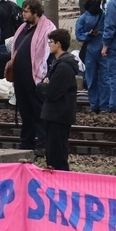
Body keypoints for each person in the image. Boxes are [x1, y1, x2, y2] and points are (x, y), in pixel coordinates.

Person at [11, 0, 57, 155]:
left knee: (38, 110)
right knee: (25, 110)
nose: (23, 14)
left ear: (35, 13)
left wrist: (48, 75)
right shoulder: (23, 28)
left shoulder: (47, 29)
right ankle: (26, 142)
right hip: (21, 77)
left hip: (36, 77)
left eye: (26, 11)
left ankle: (43, 143)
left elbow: (50, 53)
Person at [39, 29, 79, 171]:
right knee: (53, 153)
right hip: (55, 115)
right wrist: (46, 84)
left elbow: (51, 92)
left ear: (58, 44)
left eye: (51, 42)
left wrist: (43, 85)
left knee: (57, 154)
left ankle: (61, 181)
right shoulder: (59, 64)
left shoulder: (63, 67)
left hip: (58, 116)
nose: (49, 45)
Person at [74, 0, 108, 113]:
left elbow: (78, 35)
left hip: (92, 51)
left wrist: (89, 35)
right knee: (99, 79)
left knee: (93, 78)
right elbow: (79, 35)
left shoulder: (83, 18)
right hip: (101, 50)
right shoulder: (103, 16)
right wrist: (90, 34)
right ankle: (101, 105)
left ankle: (97, 105)